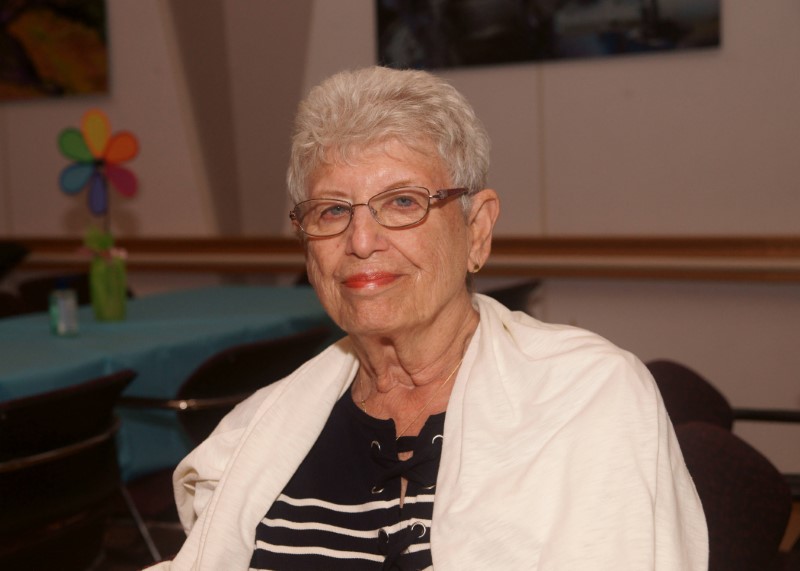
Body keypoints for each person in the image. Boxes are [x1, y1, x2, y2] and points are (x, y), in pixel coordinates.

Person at [149, 66, 707, 570]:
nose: (360, 241)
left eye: (403, 201)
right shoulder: (259, 431)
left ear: (477, 230)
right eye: (333, 210)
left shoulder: (588, 397)